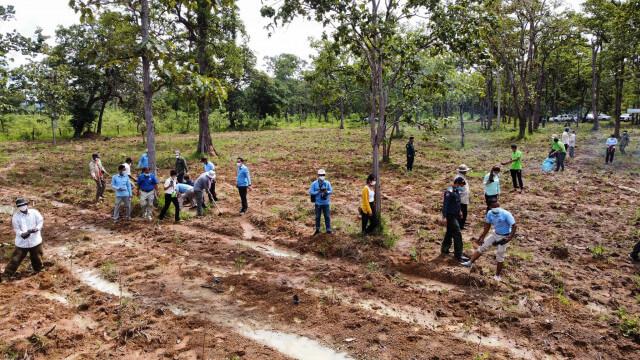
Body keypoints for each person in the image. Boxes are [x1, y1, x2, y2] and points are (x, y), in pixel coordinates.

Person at [461, 201, 517, 282]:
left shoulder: (506, 214)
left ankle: (497, 275)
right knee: (482, 247)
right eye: (493, 210)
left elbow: (514, 226)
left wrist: (510, 237)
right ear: (490, 208)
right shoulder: (490, 213)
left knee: (500, 255)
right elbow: (487, 225)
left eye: (496, 211)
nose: (495, 213)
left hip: (504, 236)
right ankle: (470, 262)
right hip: (495, 234)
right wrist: (482, 236)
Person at [2, 199, 44, 281]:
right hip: (22, 243)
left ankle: (39, 271)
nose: (22, 207)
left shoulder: (34, 212)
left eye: (23, 205)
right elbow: (17, 229)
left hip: (35, 241)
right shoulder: (16, 216)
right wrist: (22, 234)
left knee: (37, 257)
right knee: (15, 259)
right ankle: (6, 276)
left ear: (27, 204)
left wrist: (36, 229)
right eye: (20, 206)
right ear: (18, 207)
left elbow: (40, 221)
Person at [441, 177, 469, 262]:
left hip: (455, 215)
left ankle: (445, 249)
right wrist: (444, 217)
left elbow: (457, 202)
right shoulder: (449, 192)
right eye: (460, 185)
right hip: (450, 216)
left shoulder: (456, 191)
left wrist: (460, 211)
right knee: (457, 233)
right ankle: (458, 255)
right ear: (456, 183)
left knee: (449, 232)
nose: (461, 186)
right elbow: (445, 205)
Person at [309, 169, 333, 235]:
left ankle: (328, 229)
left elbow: (331, 191)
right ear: (318, 175)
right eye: (321, 175)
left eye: (323, 175)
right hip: (318, 203)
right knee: (317, 217)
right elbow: (311, 192)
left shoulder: (327, 183)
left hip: (326, 203)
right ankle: (317, 229)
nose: (322, 176)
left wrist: (326, 192)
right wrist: (318, 192)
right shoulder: (314, 183)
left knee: (327, 216)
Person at [454, 164, 471, 230]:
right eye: (466, 171)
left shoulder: (462, 176)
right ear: (463, 171)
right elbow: (457, 189)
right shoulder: (459, 178)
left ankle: (462, 224)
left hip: (464, 197)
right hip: (461, 198)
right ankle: (460, 226)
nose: (466, 172)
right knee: (463, 212)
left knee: (463, 212)